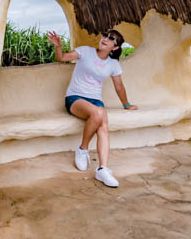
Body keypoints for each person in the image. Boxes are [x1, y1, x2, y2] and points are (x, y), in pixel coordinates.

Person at [46, 29, 138, 188]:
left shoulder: (113, 64)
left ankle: (103, 169)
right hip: (75, 98)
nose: (105, 39)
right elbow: (61, 58)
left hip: (95, 101)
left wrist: (127, 105)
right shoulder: (85, 51)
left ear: (114, 48)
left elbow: (119, 87)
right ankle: (82, 149)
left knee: (103, 124)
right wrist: (58, 46)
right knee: (100, 113)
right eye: (105, 36)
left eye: (111, 39)